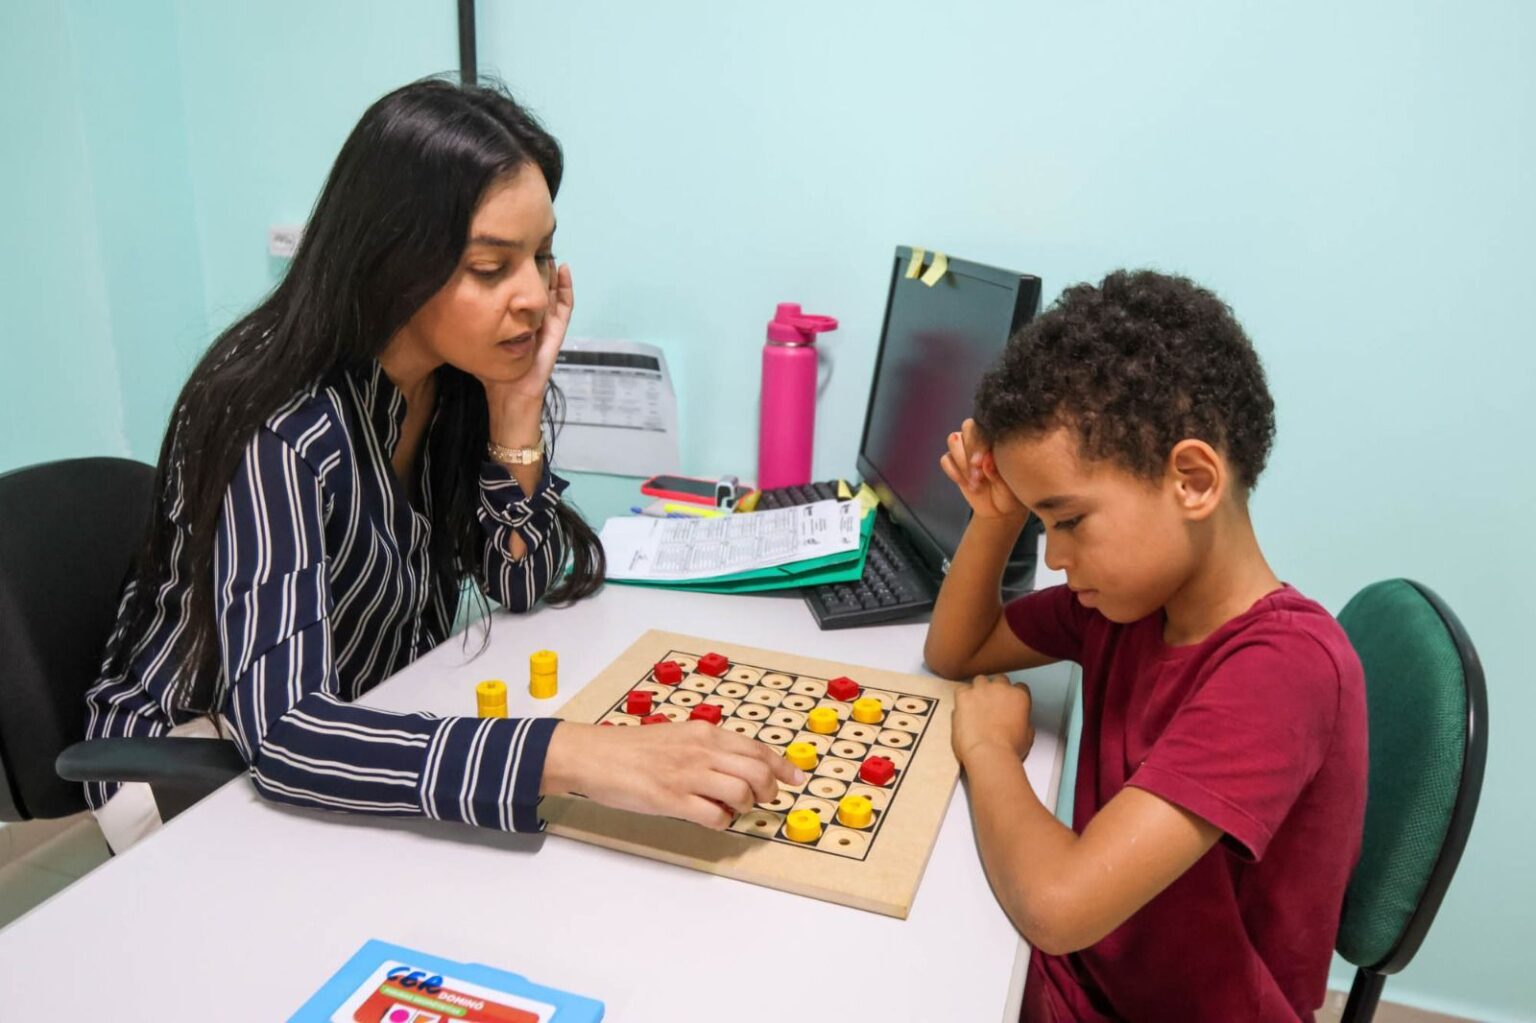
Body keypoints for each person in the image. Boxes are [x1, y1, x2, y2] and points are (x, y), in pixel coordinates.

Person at [84, 77, 801, 854]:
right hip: (193, 762)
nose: (533, 296)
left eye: (542, 255)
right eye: (492, 267)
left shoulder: (450, 377)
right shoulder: (280, 423)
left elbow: (518, 581)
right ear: (396, 263)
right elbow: (287, 733)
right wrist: (571, 754)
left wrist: (516, 406)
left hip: (356, 726)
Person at [924, 270, 1367, 1021]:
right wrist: (998, 519)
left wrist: (991, 749)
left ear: (1192, 480)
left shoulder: (1282, 670)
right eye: (1041, 523)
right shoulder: (1127, 603)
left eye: (1068, 520)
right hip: (1089, 976)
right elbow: (958, 652)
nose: (1056, 556)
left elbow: (1059, 906)